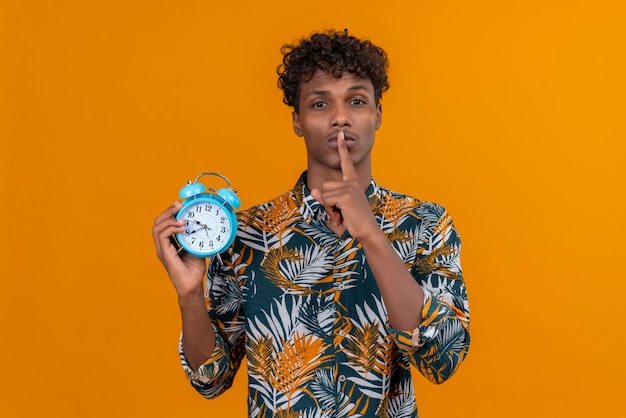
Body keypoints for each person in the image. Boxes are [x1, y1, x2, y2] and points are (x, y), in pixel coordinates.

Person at [153, 29, 470, 417]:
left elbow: (442, 361)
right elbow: (211, 379)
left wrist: (371, 235)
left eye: (356, 101)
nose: (340, 118)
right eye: (320, 104)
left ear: (378, 114)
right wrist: (188, 295)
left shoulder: (425, 224)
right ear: (297, 121)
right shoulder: (246, 233)